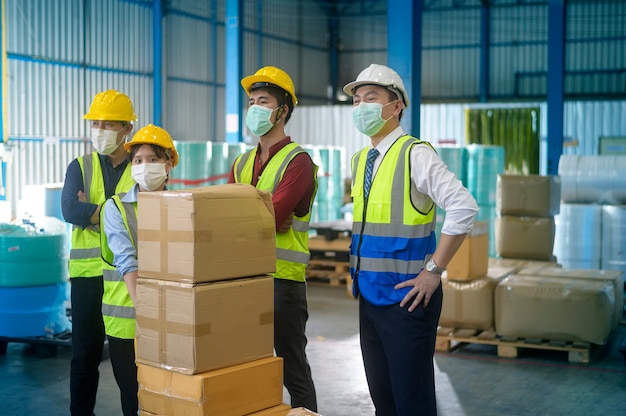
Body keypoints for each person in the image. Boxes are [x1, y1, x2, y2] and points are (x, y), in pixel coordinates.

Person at [343, 64, 479, 416]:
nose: (361, 107)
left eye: (371, 98)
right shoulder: (361, 161)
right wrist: (355, 272)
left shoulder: (414, 154)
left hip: (407, 300)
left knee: (411, 402)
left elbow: (464, 207)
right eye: (356, 100)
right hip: (370, 298)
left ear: (396, 106)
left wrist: (434, 270)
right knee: (383, 400)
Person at [229, 66, 319, 412]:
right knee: (250, 364)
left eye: (263, 101)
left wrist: (254, 214)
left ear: (282, 111)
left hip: (283, 282)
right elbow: (228, 217)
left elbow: (274, 217)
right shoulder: (243, 161)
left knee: (292, 367)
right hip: (244, 280)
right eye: (251, 102)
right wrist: (256, 214)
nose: (254, 108)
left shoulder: (299, 162)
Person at [61, 89, 137, 416]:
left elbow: (152, 217)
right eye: (96, 123)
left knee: (129, 368)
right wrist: (119, 216)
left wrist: (95, 214)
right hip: (88, 279)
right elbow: (69, 210)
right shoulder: (80, 165)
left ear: (126, 129)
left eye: (109, 124)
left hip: (126, 283)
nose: (100, 130)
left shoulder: (145, 165)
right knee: (84, 359)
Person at [100, 124, 178, 416]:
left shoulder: (184, 205)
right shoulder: (116, 208)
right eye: (138, 160)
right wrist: (146, 312)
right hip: (128, 321)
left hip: (173, 319)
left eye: (153, 159)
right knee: (134, 398)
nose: (145, 166)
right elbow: (126, 260)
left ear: (168, 164)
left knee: (169, 396)